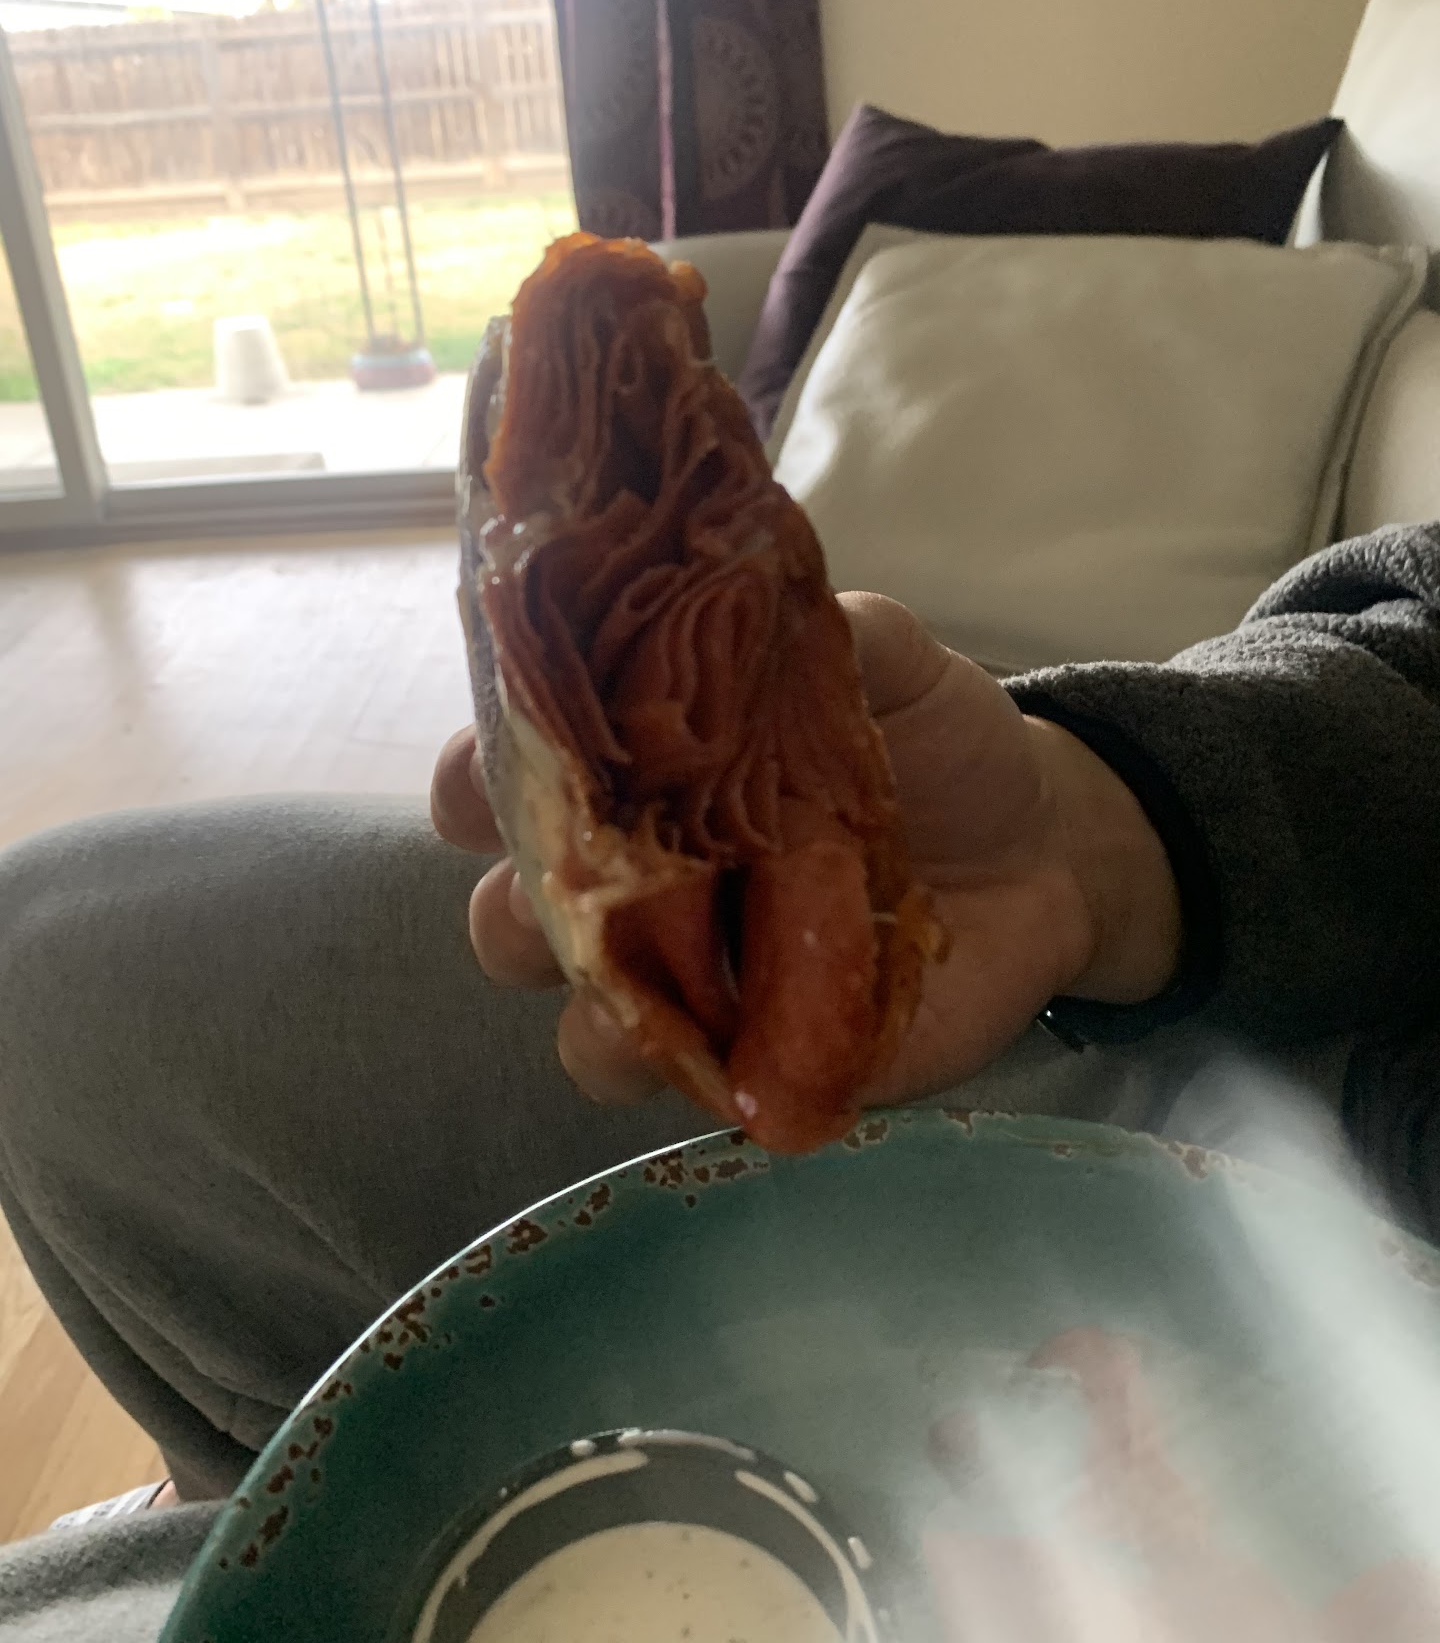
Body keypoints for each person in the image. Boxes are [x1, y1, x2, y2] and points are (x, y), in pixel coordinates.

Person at [0, 521, 1437, 1641]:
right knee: (62, 971)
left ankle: (171, 1557)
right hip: (1316, 974)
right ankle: (233, 1500)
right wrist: (1105, 837)